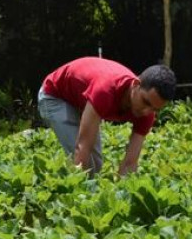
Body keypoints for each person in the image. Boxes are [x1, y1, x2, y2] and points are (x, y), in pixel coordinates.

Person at [37, 57, 176, 176]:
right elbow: (83, 147)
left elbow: (130, 162)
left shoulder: (147, 113)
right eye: (145, 102)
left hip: (81, 100)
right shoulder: (105, 91)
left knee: (95, 166)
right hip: (54, 96)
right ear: (135, 84)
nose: (146, 111)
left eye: (155, 109)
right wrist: (81, 198)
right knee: (83, 163)